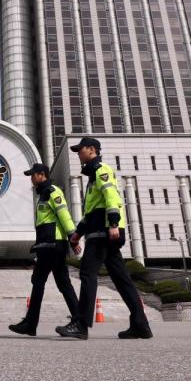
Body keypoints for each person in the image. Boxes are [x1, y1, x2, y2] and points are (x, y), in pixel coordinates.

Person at [56, 137, 152, 340]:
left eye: (80, 150)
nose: (78, 155)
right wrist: (77, 234)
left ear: (92, 150)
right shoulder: (92, 179)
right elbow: (91, 212)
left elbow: (112, 197)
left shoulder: (102, 170)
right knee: (122, 279)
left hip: (104, 233)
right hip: (99, 231)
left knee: (87, 273)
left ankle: (81, 325)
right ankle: (141, 325)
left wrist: (114, 224)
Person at [9, 163, 81, 337]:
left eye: (33, 175)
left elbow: (64, 214)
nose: (31, 179)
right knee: (60, 282)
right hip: (47, 245)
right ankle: (79, 321)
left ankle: (31, 323)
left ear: (42, 175)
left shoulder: (52, 191)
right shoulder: (43, 194)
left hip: (53, 245)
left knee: (41, 280)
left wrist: (73, 238)